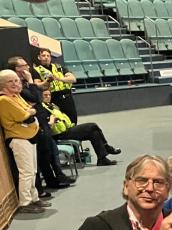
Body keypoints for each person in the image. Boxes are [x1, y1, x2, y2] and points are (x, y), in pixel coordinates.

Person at [11, 57, 75, 192]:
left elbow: (40, 92)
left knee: (51, 151)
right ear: (16, 70)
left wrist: (47, 81)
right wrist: (29, 81)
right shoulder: (19, 86)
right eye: (23, 66)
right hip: (33, 125)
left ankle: (56, 178)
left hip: (41, 120)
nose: (27, 68)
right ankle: (43, 186)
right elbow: (35, 98)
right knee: (42, 156)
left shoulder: (25, 84)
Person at [0, 69, 44, 213]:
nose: (15, 83)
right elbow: (24, 115)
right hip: (19, 139)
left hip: (29, 136)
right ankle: (25, 203)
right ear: (2, 85)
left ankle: (34, 198)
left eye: (16, 80)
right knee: (26, 173)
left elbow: (30, 109)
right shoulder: (4, 100)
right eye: (10, 81)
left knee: (33, 171)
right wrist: (29, 112)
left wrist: (30, 111)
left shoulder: (16, 96)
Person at [43, 89, 120, 166]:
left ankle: (102, 159)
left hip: (67, 129)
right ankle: (107, 147)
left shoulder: (52, 105)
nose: (48, 97)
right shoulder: (42, 109)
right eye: (45, 95)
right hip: (59, 135)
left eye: (49, 95)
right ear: (40, 96)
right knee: (92, 125)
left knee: (94, 133)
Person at [32, 48, 77, 124]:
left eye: (48, 56)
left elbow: (73, 79)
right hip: (53, 98)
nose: (46, 57)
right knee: (60, 122)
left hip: (67, 97)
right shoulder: (36, 70)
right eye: (43, 55)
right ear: (39, 57)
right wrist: (48, 81)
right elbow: (38, 85)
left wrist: (59, 78)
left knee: (73, 120)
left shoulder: (58, 67)